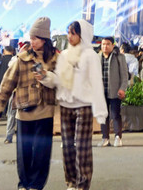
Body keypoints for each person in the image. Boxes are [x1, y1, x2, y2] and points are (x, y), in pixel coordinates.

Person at [0, 17, 57, 190]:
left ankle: (36, 185)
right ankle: (24, 184)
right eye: (31, 37)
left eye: (36, 38)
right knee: (24, 153)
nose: (32, 42)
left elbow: (63, 82)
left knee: (42, 154)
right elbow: (7, 83)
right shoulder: (22, 58)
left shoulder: (55, 59)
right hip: (24, 112)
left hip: (46, 111)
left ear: (44, 39)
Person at [39, 20, 107, 190]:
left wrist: (100, 112)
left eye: (73, 33)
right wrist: (45, 77)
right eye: (68, 32)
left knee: (82, 147)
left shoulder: (90, 56)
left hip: (83, 106)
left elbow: (97, 83)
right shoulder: (64, 55)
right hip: (65, 105)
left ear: (82, 34)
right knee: (67, 147)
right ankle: (71, 182)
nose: (70, 36)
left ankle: (83, 185)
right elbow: (59, 80)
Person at [99, 37, 129, 147]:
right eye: (103, 44)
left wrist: (122, 88)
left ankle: (118, 137)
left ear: (112, 45)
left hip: (115, 91)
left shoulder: (119, 57)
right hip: (102, 92)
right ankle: (105, 138)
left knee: (116, 115)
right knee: (103, 116)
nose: (105, 46)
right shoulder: (98, 57)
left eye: (107, 44)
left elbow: (124, 75)